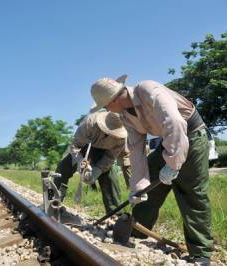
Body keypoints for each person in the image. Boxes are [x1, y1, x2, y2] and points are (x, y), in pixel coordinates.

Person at [90, 76, 213, 265]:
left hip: (192, 135)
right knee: (149, 185)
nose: (107, 111)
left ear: (113, 100)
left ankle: (200, 252)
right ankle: (138, 230)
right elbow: (136, 149)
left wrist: (172, 164)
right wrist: (137, 187)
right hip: (168, 141)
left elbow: (176, 124)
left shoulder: (149, 91)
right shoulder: (125, 115)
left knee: (191, 193)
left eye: (105, 106)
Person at [54, 111, 126, 213]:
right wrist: (79, 161)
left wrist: (97, 171)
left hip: (103, 153)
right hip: (83, 147)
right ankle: (54, 201)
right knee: (63, 168)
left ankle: (115, 214)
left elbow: (110, 157)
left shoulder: (121, 139)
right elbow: (75, 146)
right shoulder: (89, 122)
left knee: (110, 178)